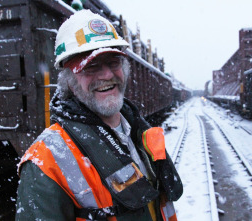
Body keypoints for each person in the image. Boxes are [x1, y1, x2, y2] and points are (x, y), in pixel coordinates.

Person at [15, 9, 182, 221]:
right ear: (69, 81)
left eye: (114, 62)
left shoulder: (139, 132)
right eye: (91, 66)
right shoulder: (46, 162)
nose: (107, 75)